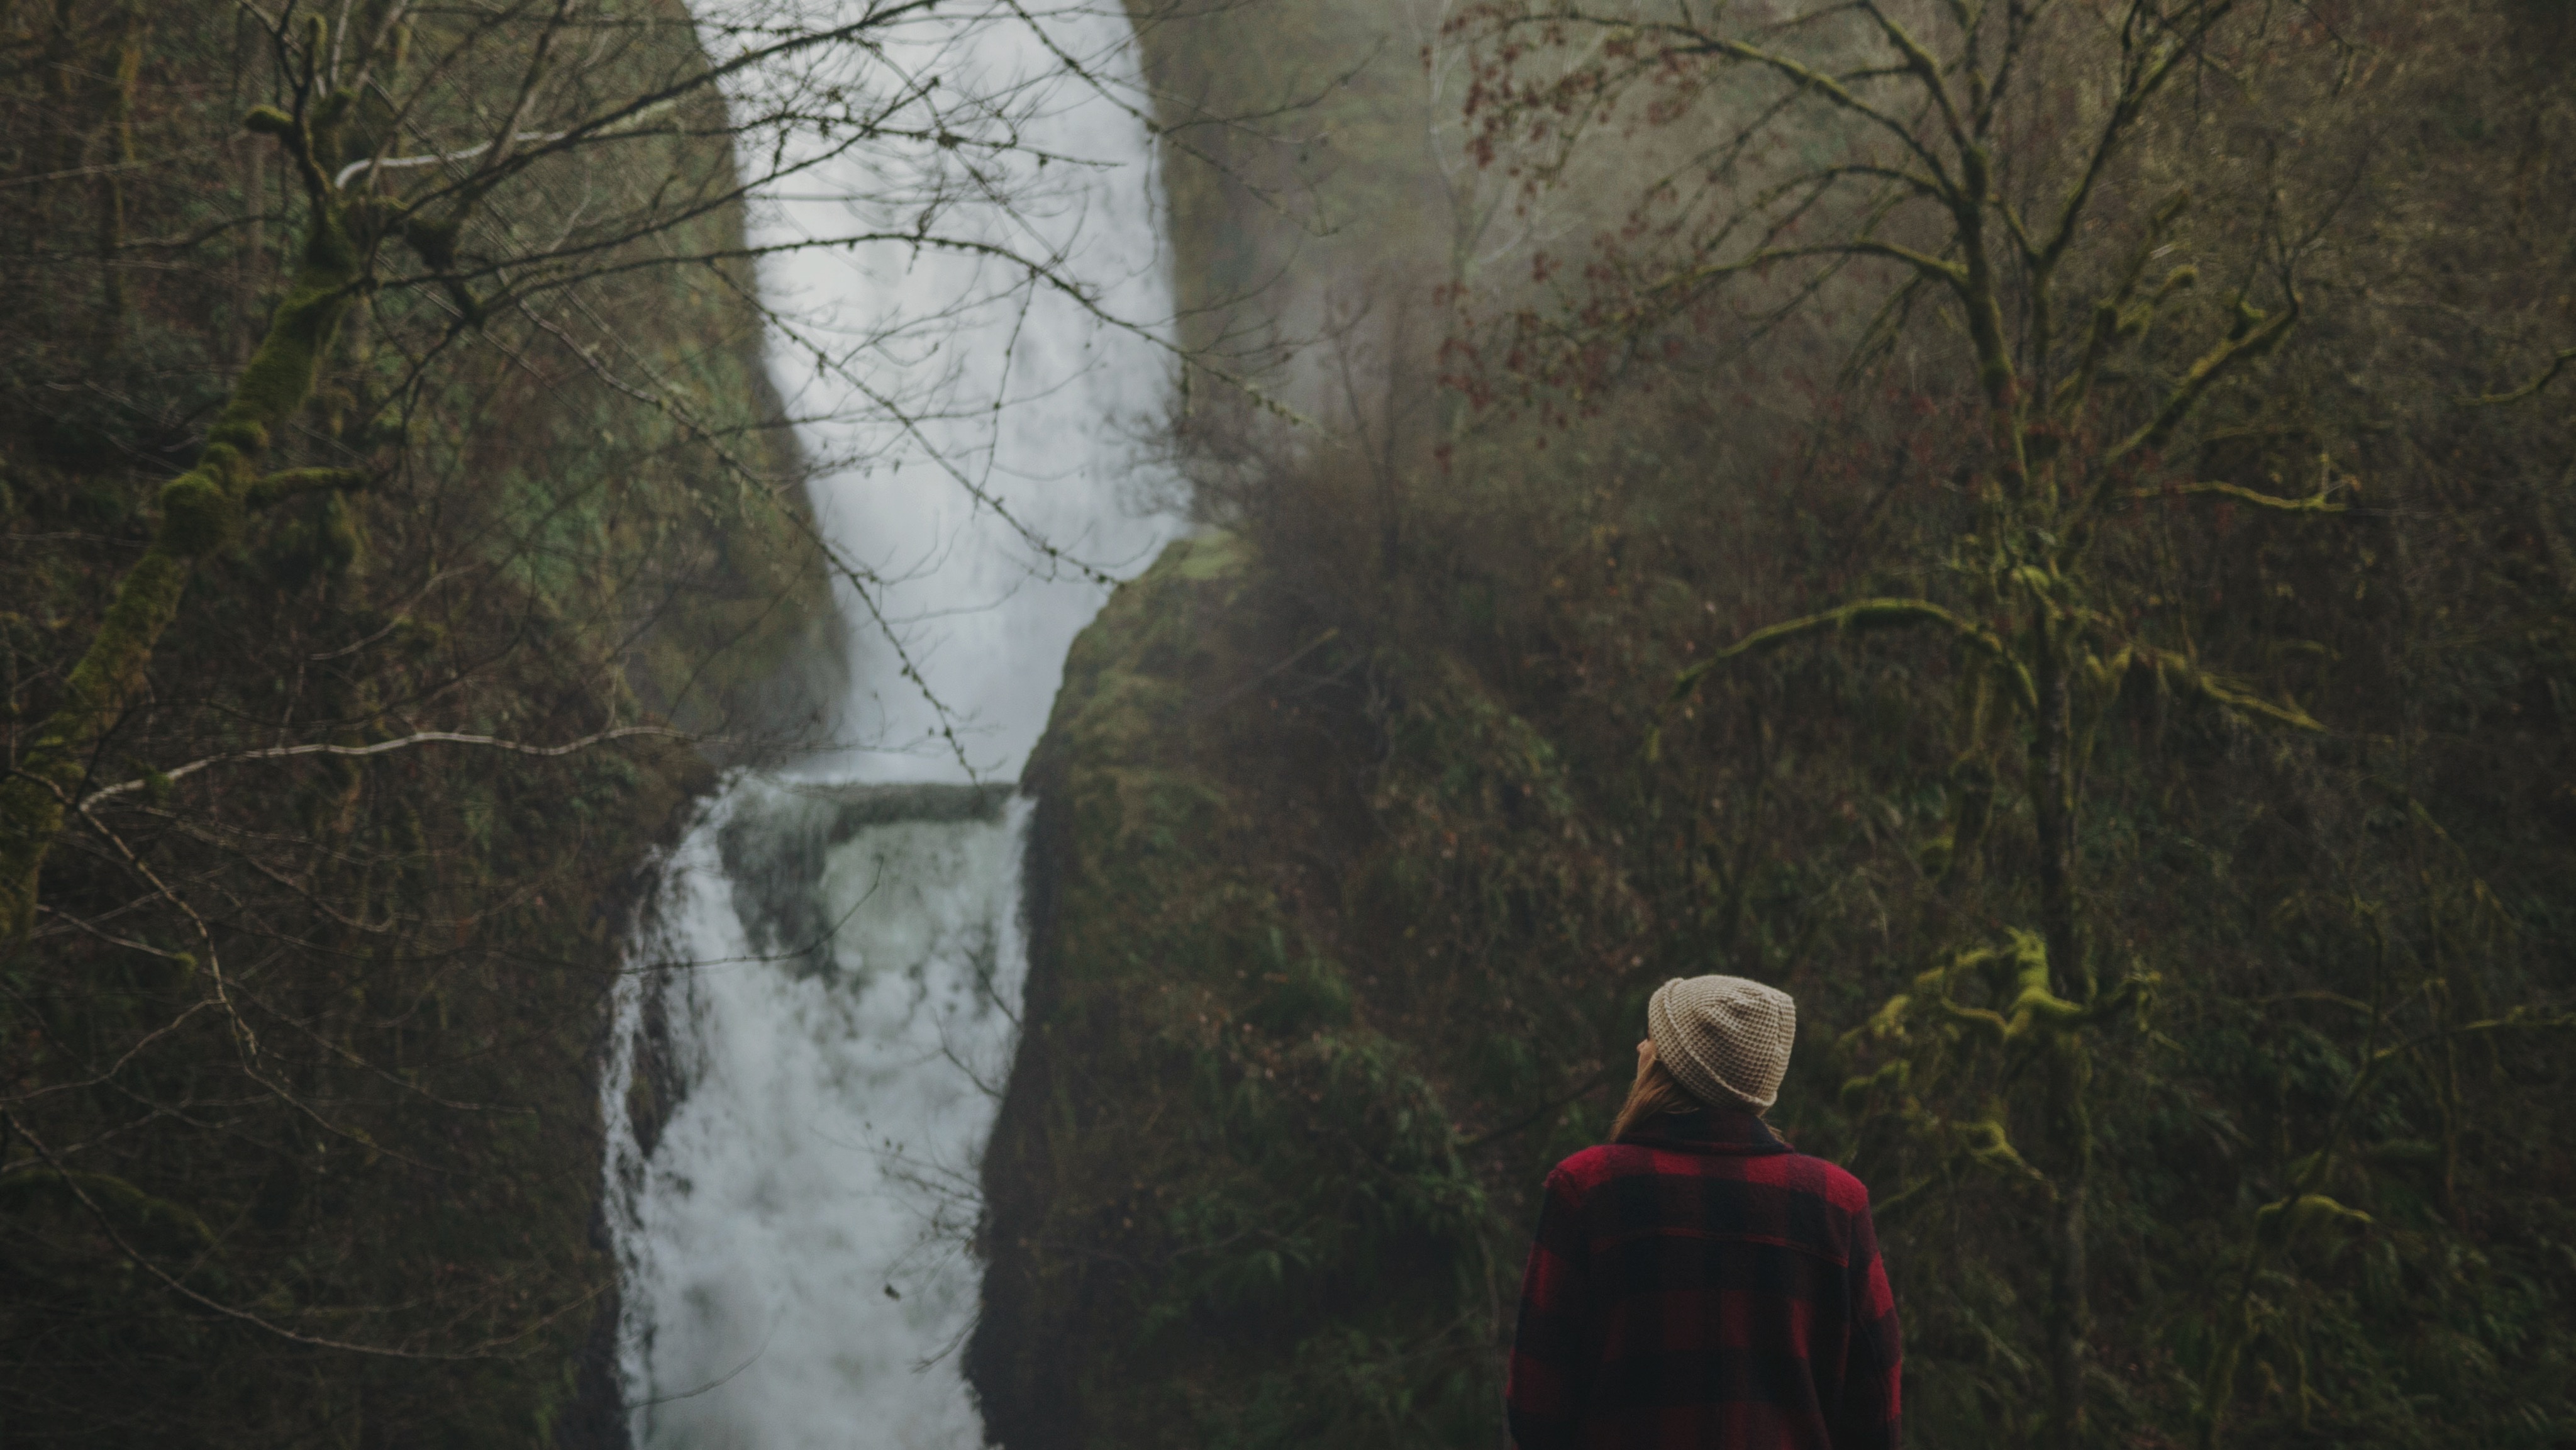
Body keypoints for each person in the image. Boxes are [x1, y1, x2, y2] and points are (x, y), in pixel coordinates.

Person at [1505, 975, 1902, 1449]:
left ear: (1671, 1067)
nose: (1640, 1046)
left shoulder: (1587, 1189)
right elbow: (1876, 1410)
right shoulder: (1836, 1204)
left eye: (1652, 1036)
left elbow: (1536, 1404)